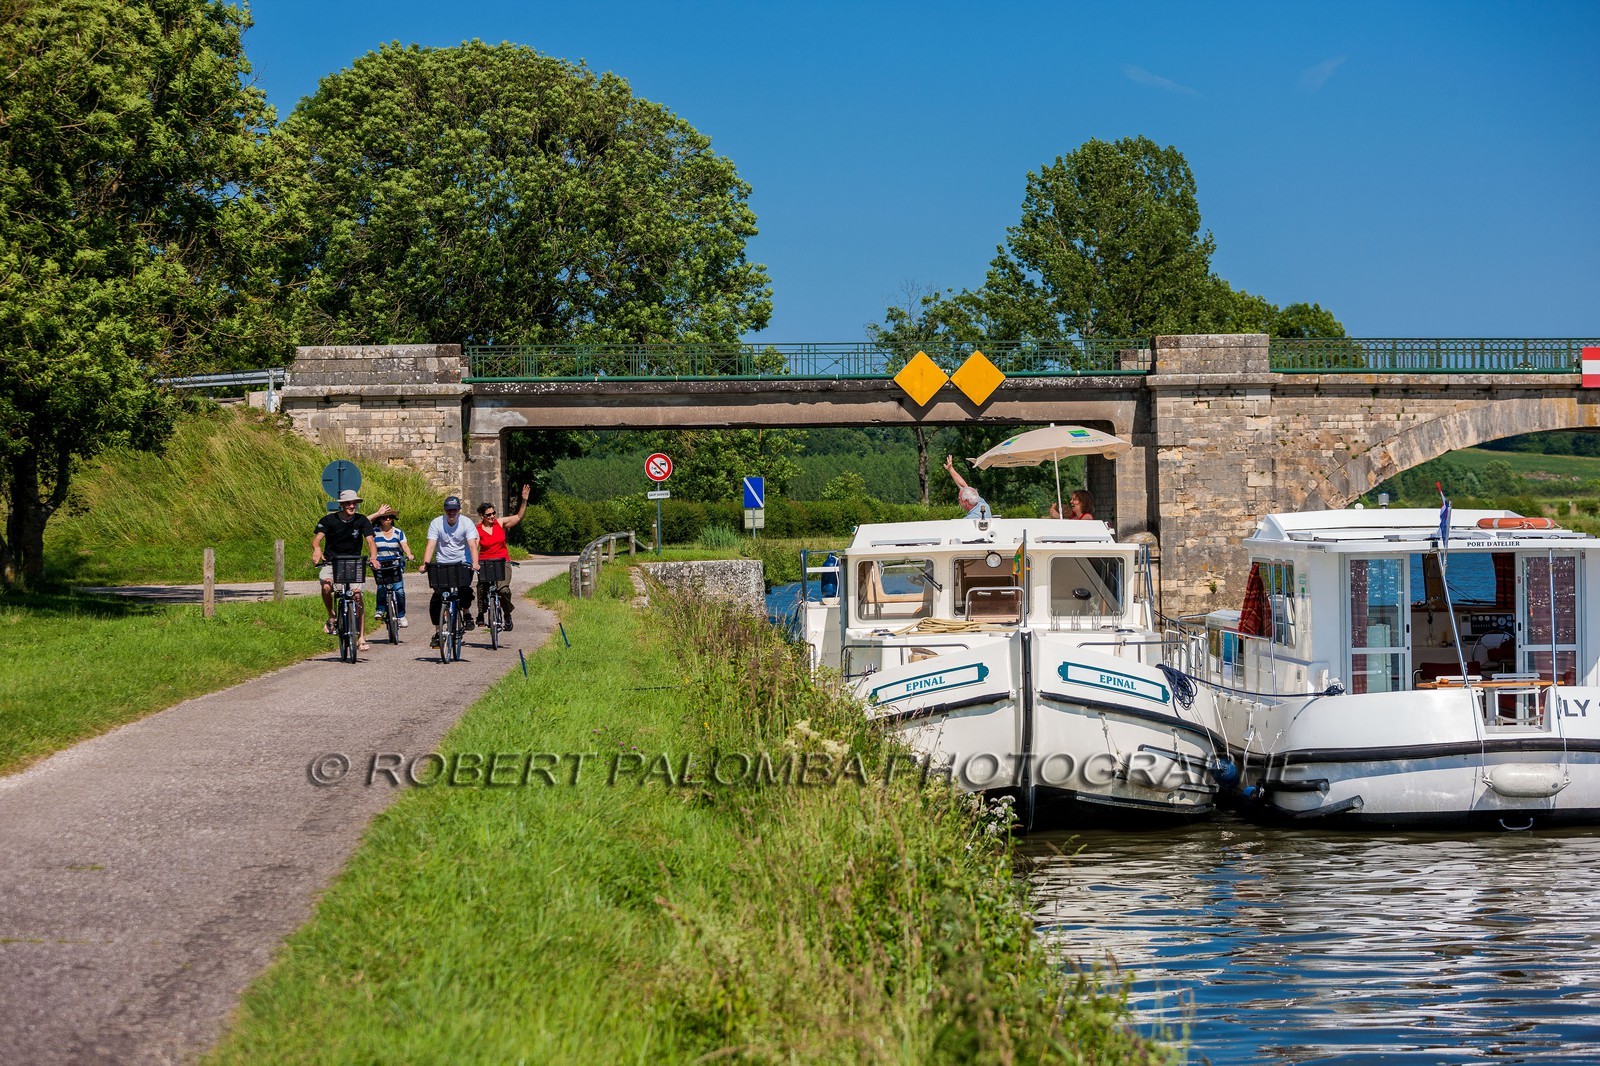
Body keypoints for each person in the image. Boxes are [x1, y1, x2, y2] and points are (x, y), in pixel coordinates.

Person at [311, 489, 381, 652]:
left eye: (354, 503)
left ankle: (361, 636)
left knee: (357, 595)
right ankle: (332, 615)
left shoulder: (362, 520)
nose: (352, 506)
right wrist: (317, 549)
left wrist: (373, 558)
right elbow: (317, 540)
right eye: (348, 503)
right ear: (341, 505)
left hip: (354, 562)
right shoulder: (329, 520)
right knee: (326, 586)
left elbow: (370, 541)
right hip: (332, 562)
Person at [420, 495, 479, 648]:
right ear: (445, 511)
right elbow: (431, 545)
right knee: (436, 599)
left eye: (454, 510)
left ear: (459, 510)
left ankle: (466, 613)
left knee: (465, 590)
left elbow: (472, 545)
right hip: (443, 564)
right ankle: (438, 632)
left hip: (462, 562)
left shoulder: (466, 523)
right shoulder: (436, 523)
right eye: (449, 510)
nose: (452, 513)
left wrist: (475, 563)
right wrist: (425, 564)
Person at [475, 483, 531, 631]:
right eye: (489, 515)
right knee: (481, 587)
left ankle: (507, 614)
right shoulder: (477, 529)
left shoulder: (499, 523)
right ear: (482, 516)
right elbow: (474, 546)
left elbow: (518, 517)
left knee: (503, 590)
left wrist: (524, 500)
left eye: (493, 513)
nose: (492, 516)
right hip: (485, 562)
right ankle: (481, 613)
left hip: (502, 561)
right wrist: (473, 561)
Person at [372, 511, 415, 627]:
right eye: (384, 518)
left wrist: (409, 554)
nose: (387, 520)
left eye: (389, 518)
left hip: (395, 564)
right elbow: (363, 523)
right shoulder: (374, 532)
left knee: (399, 590)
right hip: (380, 564)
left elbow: (404, 545)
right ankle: (380, 610)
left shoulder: (398, 532)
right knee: (381, 587)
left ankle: (401, 615)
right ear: (380, 519)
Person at [943, 454, 991, 520]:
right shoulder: (983, 504)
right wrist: (951, 469)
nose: (959, 502)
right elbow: (964, 486)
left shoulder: (969, 519)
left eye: (959, 499)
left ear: (966, 501)